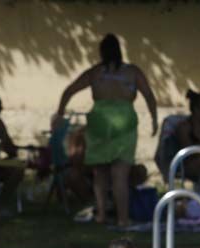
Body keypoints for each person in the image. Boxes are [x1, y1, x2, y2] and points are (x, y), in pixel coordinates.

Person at [55, 33, 158, 226]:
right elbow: (149, 96)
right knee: (120, 174)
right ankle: (122, 219)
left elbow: (69, 90)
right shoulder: (133, 72)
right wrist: (154, 119)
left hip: (100, 123)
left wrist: (60, 113)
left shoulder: (95, 73)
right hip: (125, 123)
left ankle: (101, 214)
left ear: (102, 52)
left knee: (100, 172)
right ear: (119, 51)